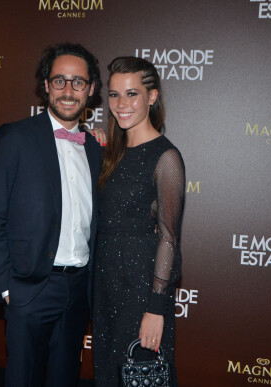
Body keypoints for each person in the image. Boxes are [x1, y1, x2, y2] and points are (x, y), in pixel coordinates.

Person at [0, 43, 103, 387]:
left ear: (91, 90)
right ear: (45, 86)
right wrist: (5, 288)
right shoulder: (15, 138)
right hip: (30, 289)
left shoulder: (95, 148)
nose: (68, 90)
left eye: (78, 82)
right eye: (59, 80)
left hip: (78, 290)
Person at [92, 56, 185, 386]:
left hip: (141, 289)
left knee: (140, 375)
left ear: (153, 96)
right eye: (114, 95)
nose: (121, 104)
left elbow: (169, 238)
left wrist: (156, 308)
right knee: (108, 374)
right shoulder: (108, 151)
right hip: (104, 284)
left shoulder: (166, 157)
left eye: (132, 94)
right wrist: (90, 139)